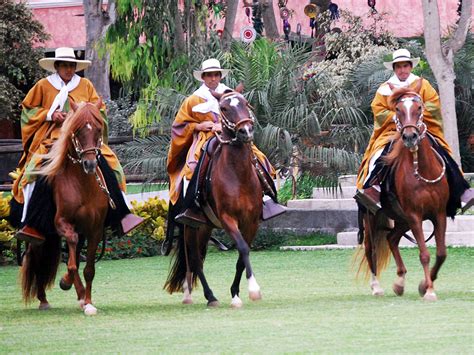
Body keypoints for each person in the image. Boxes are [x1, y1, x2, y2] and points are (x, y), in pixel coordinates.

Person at [11, 47, 143, 244]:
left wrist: (80, 118)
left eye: (72, 65)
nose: (69, 69)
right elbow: (28, 111)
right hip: (52, 139)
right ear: (56, 66)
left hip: (82, 139)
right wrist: (49, 115)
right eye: (64, 65)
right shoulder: (42, 86)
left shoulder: (86, 85)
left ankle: (122, 214)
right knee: (31, 173)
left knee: (112, 165)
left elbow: (99, 111)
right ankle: (30, 223)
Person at [167, 58, 285, 227]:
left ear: (220, 76)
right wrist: (198, 125)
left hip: (232, 137)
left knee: (259, 159)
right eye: (209, 75)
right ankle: (192, 207)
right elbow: (179, 126)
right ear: (203, 77)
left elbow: (244, 114)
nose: (213, 78)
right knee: (192, 167)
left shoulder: (232, 95)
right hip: (205, 139)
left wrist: (225, 126)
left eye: (216, 75)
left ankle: (267, 198)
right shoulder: (193, 100)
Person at [355, 48, 474, 215]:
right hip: (392, 132)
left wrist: (416, 115)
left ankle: (461, 190)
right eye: (398, 67)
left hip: (420, 129)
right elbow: (379, 112)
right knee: (379, 154)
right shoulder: (384, 89)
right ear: (394, 68)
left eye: (405, 66)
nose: (402, 70)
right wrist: (400, 117)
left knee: (443, 152)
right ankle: (372, 189)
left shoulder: (422, 84)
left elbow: (433, 105)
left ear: (411, 66)